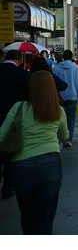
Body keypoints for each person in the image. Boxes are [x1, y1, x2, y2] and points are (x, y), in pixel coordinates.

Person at [0, 71, 68, 234]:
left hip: (21, 165)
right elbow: (64, 136)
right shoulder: (58, 111)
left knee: (27, 213)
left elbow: (2, 134)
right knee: (46, 214)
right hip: (50, 164)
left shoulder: (19, 107)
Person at [0, 50, 30, 201]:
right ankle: (7, 187)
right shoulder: (23, 75)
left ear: (6, 58)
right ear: (19, 60)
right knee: (11, 152)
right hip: (15, 119)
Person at [52, 49, 78, 148]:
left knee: (60, 118)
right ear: (72, 57)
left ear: (63, 57)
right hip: (73, 96)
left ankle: (60, 138)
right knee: (71, 118)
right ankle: (68, 139)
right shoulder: (76, 68)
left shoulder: (57, 68)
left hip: (60, 97)